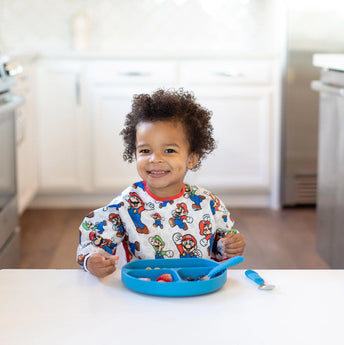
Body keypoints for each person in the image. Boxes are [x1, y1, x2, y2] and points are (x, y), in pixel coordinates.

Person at [76, 88, 246, 278]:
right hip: (147, 291)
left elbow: (221, 243)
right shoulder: (124, 205)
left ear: (191, 158)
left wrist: (230, 245)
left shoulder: (207, 202)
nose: (154, 159)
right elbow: (94, 243)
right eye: (145, 150)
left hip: (197, 290)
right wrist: (91, 260)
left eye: (169, 150)